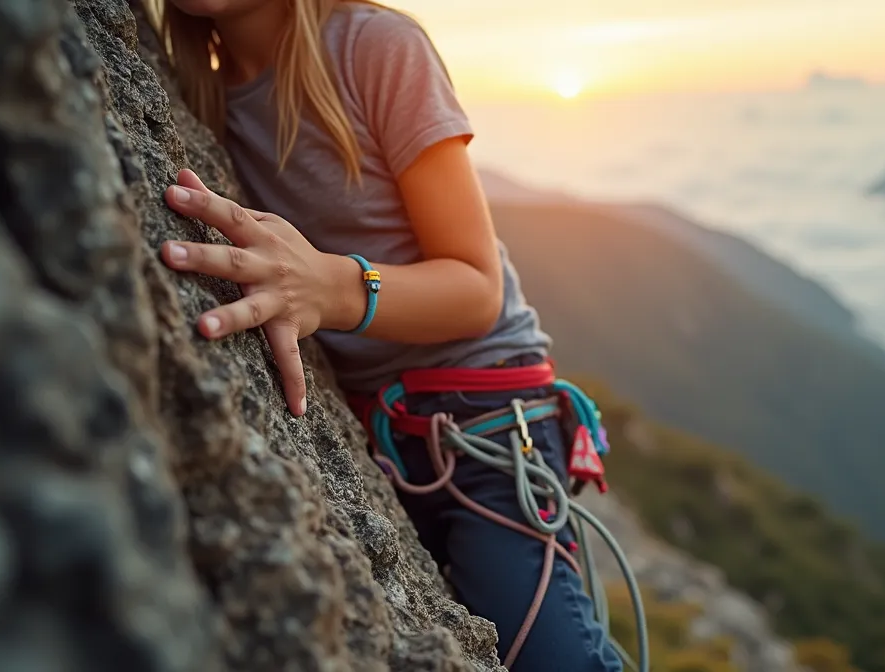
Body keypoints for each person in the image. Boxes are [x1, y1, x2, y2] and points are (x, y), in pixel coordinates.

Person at [144, 1, 624, 670]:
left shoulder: (375, 46)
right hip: (384, 437)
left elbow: (477, 288)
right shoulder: (195, 90)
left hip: (484, 421)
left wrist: (332, 287)